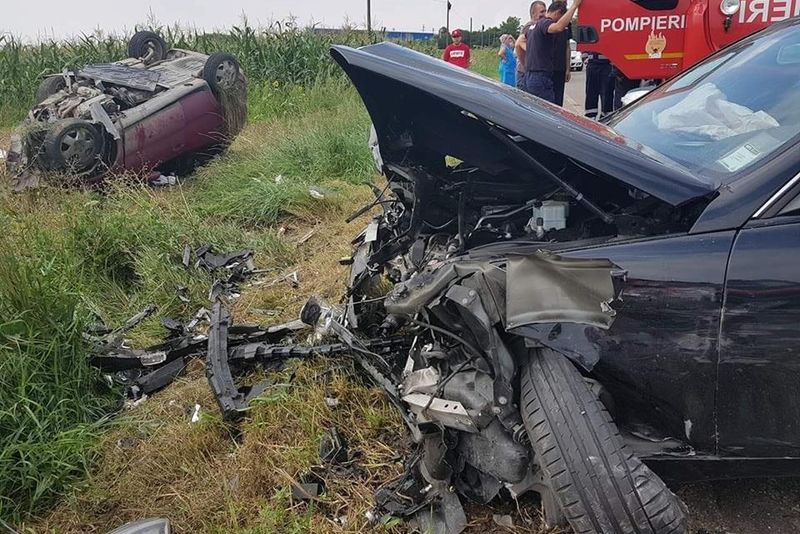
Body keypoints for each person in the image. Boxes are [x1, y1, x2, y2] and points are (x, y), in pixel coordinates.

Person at [523, 0, 582, 103]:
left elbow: (519, 44)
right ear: (557, 13)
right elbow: (558, 27)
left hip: (531, 75)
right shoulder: (545, 23)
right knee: (549, 109)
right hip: (540, 77)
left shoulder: (533, 27)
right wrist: (574, 6)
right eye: (561, 18)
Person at [514, 1, 546, 90]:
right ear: (533, 13)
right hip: (525, 74)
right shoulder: (530, 27)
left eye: (545, 11)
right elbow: (518, 44)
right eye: (542, 12)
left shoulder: (538, 26)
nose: (544, 14)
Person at [584, 52, 614, 119]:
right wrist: (585, 58)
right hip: (592, 63)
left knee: (607, 91)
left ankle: (606, 114)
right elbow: (584, 47)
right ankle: (591, 115)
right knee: (591, 91)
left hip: (607, 64)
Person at [551, 25, 572, 106]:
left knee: (558, 100)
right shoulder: (546, 22)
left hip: (560, 68)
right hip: (546, 69)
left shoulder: (567, 24)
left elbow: (567, 46)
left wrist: (568, 69)